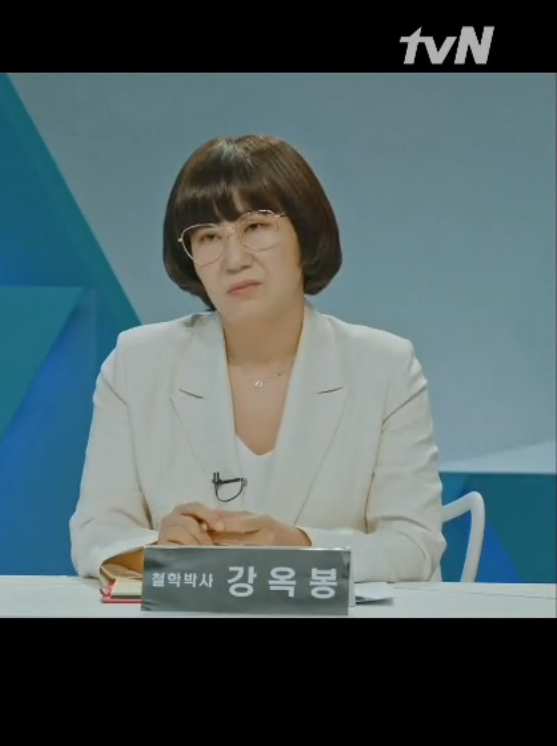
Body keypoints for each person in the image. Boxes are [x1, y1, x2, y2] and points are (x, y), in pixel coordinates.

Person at [69, 134, 446, 584]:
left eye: (255, 227)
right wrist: (158, 551)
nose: (234, 259)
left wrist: (299, 548)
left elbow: (413, 545)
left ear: (305, 233)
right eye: (209, 237)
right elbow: (96, 531)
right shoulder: (137, 364)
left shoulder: (384, 368)